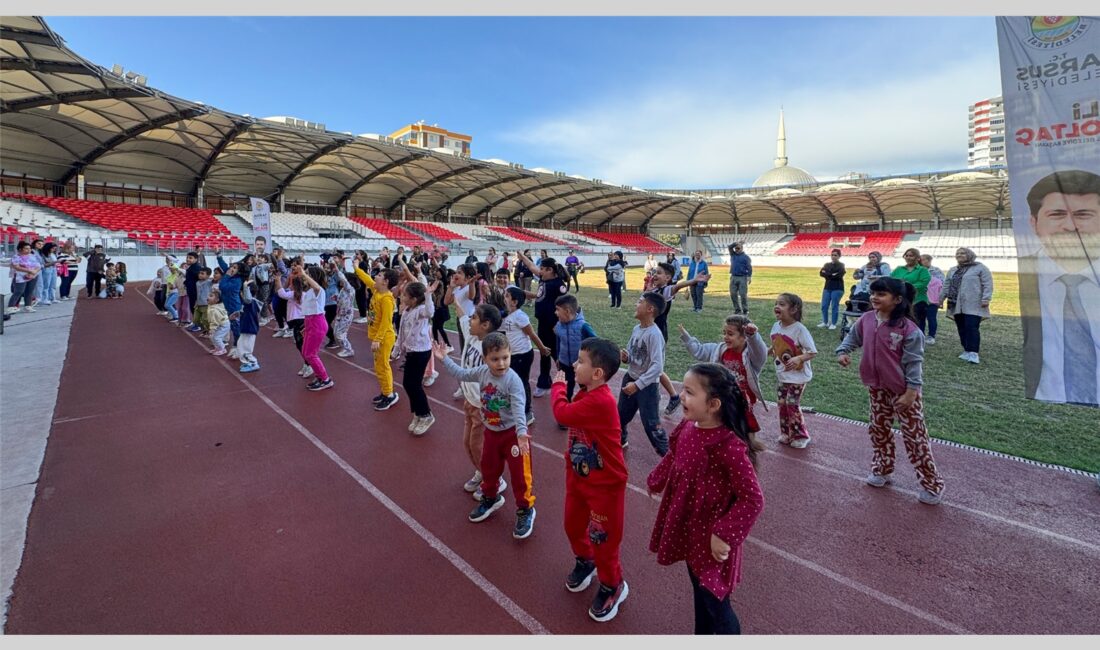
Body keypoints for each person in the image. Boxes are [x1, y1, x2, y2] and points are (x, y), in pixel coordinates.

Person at [647, 363, 764, 635]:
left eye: (689, 392)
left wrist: (723, 534)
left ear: (713, 404)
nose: (681, 396)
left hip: (711, 539)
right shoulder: (688, 427)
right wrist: (657, 478)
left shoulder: (728, 446)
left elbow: (752, 499)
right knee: (699, 592)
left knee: (716, 602)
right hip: (690, 529)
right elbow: (674, 455)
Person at [835, 277, 945, 505]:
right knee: (878, 430)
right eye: (873, 293)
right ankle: (882, 469)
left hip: (904, 393)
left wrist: (911, 392)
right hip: (877, 389)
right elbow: (852, 338)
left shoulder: (909, 330)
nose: (874, 297)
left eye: (881, 294)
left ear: (897, 299)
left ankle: (932, 484)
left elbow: (914, 363)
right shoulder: (866, 319)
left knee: (915, 438)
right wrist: (843, 352)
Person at [551, 338, 629, 623]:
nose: (574, 364)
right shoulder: (586, 392)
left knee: (604, 539)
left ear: (597, 373)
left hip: (604, 486)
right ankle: (586, 561)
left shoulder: (600, 400)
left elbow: (561, 413)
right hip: (579, 476)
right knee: (572, 524)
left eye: (581, 361)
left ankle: (612, 584)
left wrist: (559, 386)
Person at [435, 330, 537, 539]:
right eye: (495, 359)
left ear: (510, 355)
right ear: (485, 359)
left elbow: (519, 407)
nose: (501, 363)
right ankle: (491, 498)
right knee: (489, 469)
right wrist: (444, 358)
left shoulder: (512, 380)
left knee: (520, 476)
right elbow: (462, 374)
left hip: (512, 436)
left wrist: (521, 433)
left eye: (505, 358)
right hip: (491, 432)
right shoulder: (482, 372)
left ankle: (525, 509)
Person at [1019, 169, 1100, 406]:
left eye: (1083, 214)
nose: (1070, 226)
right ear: (1034, 223)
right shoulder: (1025, 274)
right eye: (1057, 214)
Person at [679, 316, 769, 452]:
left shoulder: (751, 356)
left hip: (744, 400)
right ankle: (722, 446)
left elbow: (760, 352)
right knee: (722, 422)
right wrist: (687, 338)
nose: (726, 337)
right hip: (726, 396)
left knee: (744, 425)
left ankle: (748, 447)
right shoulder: (720, 349)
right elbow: (700, 351)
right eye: (725, 333)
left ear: (743, 337)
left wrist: (753, 336)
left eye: (731, 334)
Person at [452, 303, 505, 501]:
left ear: (485, 325)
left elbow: (501, 379)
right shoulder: (472, 335)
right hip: (470, 401)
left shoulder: (493, 349)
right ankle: (482, 472)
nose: (469, 320)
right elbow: (460, 313)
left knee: (479, 447)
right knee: (467, 443)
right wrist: (453, 290)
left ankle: (495, 480)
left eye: (474, 317)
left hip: (483, 407)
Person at [651, 261, 710, 415]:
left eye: (658, 273)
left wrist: (694, 281)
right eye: (654, 272)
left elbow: (678, 286)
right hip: (648, 331)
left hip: (658, 333)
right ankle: (658, 394)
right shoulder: (655, 289)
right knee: (651, 365)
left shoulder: (666, 290)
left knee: (655, 367)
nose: (654, 275)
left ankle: (672, 396)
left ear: (668, 277)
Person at [618, 292, 669, 456]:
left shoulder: (654, 334)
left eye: (639, 302)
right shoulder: (636, 329)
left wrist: (638, 385)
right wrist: (627, 358)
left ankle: (667, 454)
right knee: (620, 416)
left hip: (646, 387)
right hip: (630, 378)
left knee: (651, 424)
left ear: (650, 309)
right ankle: (621, 439)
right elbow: (636, 354)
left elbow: (657, 367)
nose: (636, 305)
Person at [516, 250, 569, 398]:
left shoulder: (558, 285)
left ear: (550, 270)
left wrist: (559, 324)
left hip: (553, 325)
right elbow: (532, 266)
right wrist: (523, 257)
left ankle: (566, 382)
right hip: (543, 323)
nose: (540, 271)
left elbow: (566, 305)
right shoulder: (543, 279)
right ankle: (544, 383)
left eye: (543, 269)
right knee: (544, 352)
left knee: (557, 355)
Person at [769, 293, 817, 448]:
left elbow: (812, 352)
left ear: (794, 309)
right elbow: (777, 342)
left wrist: (798, 359)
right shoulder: (776, 326)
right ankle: (786, 432)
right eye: (776, 303)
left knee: (791, 404)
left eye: (782, 304)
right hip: (783, 374)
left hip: (798, 377)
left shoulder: (800, 330)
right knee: (781, 403)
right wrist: (770, 350)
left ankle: (800, 435)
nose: (777, 306)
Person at [501, 287, 551, 425]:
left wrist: (541, 348)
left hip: (523, 354)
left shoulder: (520, 316)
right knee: (513, 381)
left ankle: (527, 411)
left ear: (514, 302)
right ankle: (516, 406)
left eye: (507, 296)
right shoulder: (507, 315)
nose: (504, 297)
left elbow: (531, 333)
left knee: (522, 381)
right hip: (513, 355)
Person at [354, 266, 400, 409]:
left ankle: (390, 395)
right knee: (378, 366)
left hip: (384, 338)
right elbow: (367, 279)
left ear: (385, 282)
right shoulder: (376, 290)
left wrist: (378, 340)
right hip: (377, 337)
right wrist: (356, 268)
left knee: (383, 366)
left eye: (379, 275)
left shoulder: (386, 299)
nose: (375, 277)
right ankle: (385, 391)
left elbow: (386, 322)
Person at [396, 279, 436, 436]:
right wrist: (397, 349)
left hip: (421, 352)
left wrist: (428, 295)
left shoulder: (420, 311)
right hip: (411, 352)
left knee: (414, 385)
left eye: (405, 295)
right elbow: (401, 332)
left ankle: (426, 414)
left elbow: (430, 312)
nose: (402, 296)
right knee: (408, 384)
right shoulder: (406, 311)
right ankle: (418, 413)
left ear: (413, 299)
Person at [944, 247, 993, 365]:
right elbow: (946, 285)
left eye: (962, 253)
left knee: (971, 327)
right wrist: (941, 298)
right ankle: (966, 349)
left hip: (974, 303)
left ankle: (974, 352)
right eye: (957, 253)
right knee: (961, 327)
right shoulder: (953, 270)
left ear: (970, 255)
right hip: (956, 304)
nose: (959, 255)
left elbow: (988, 284)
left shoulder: (980, 268)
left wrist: (986, 298)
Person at [295, 264, 335, 391]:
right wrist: (306, 327)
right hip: (310, 323)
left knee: (310, 354)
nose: (304, 276)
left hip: (317, 323)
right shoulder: (309, 292)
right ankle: (319, 376)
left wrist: (304, 274)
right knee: (306, 353)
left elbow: (317, 286)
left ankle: (325, 379)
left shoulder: (319, 290)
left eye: (307, 274)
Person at [553, 294, 598, 403]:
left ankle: (588, 408)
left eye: (558, 310)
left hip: (580, 365)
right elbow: (558, 341)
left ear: (567, 311)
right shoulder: (559, 325)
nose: (555, 313)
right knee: (565, 389)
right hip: (564, 364)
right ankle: (566, 411)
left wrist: (591, 361)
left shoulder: (583, 326)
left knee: (585, 389)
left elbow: (596, 342)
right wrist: (558, 357)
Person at [891, 248, 931, 334]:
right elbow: (891, 280)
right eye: (907, 255)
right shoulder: (898, 269)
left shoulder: (922, 270)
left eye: (911, 256)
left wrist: (904, 286)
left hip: (918, 301)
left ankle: (918, 341)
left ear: (917, 258)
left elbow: (923, 283)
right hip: (900, 300)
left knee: (917, 323)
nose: (908, 257)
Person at [6, 241, 41, 314]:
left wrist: (34, 272)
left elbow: (38, 265)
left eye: (29, 248)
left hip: (33, 275)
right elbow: (16, 267)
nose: (28, 250)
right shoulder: (16, 257)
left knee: (29, 291)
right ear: (20, 249)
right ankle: (11, 307)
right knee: (19, 291)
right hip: (20, 276)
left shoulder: (32, 256)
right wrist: (29, 271)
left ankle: (28, 306)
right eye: (26, 248)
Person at [919, 254, 945, 345]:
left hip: (933, 299)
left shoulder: (936, 271)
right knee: (920, 318)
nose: (920, 261)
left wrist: (941, 299)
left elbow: (942, 284)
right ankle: (920, 335)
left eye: (922, 260)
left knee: (931, 318)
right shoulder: (917, 270)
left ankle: (931, 336)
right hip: (920, 298)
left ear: (929, 260)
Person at [237, 280, 262, 373]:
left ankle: (253, 363)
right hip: (245, 328)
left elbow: (248, 298)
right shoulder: (247, 303)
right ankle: (247, 362)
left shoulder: (250, 302)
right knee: (241, 345)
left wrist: (245, 286)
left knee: (245, 347)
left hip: (249, 328)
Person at [818, 248, 846, 329]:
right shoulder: (827, 264)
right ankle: (825, 322)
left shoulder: (841, 265)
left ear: (839, 256)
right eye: (832, 255)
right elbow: (821, 273)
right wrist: (832, 274)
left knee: (834, 306)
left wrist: (827, 273)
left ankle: (833, 323)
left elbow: (839, 275)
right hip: (827, 287)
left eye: (835, 255)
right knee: (824, 305)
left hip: (837, 288)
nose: (833, 257)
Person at [727, 242, 753, 315]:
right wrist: (736, 243)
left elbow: (749, 267)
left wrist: (749, 276)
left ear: (742, 248)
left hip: (742, 277)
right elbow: (729, 247)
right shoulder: (733, 255)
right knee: (733, 294)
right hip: (733, 277)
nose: (736, 250)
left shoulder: (746, 257)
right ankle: (737, 309)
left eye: (738, 248)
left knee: (743, 294)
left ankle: (745, 310)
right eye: (735, 248)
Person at [206, 289, 231, 356]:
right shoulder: (214, 305)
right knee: (212, 337)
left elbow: (214, 321)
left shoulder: (213, 310)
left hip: (223, 325)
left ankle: (222, 349)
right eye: (209, 295)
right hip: (221, 323)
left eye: (211, 296)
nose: (208, 297)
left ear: (216, 300)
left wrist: (212, 329)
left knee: (217, 337)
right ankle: (217, 348)